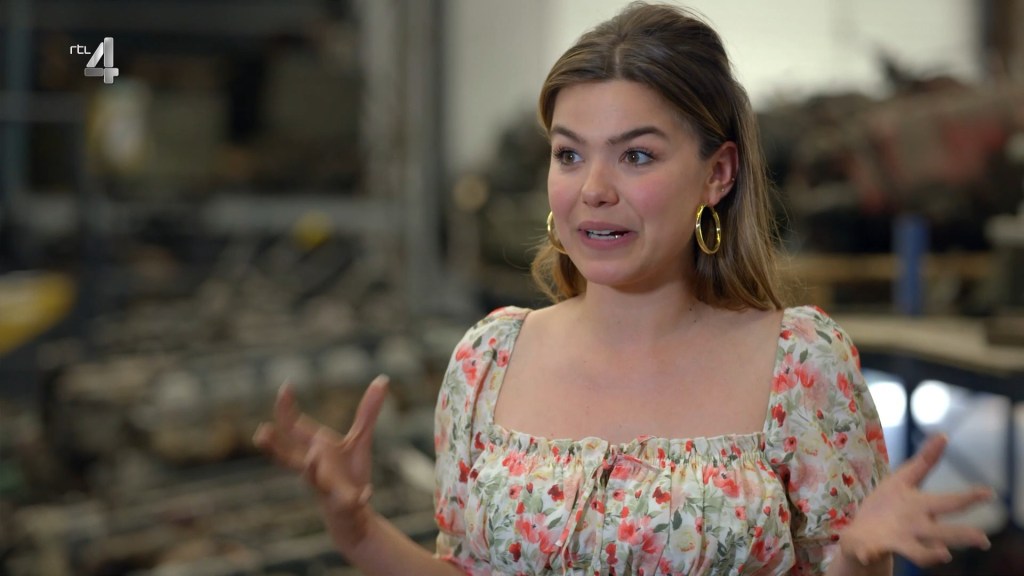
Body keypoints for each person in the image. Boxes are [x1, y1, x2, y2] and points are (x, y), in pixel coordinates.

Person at [253, 3, 994, 575]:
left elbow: (844, 563)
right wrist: (356, 527)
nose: (594, 190)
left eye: (636, 155)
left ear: (718, 174)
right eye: (569, 155)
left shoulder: (799, 364)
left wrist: (858, 561)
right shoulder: (489, 361)